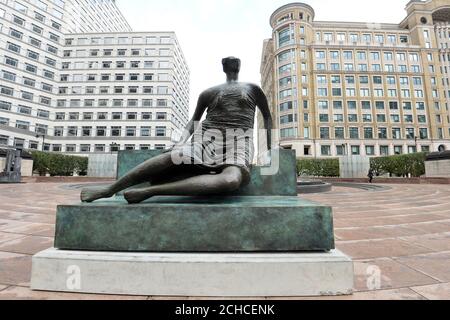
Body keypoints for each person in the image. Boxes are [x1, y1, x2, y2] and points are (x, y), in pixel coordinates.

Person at [81, 57, 273, 204]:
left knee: (231, 180)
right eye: (230, 63)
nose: (233, 65)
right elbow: (194, 120)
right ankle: (109, 189)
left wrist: (269, 150)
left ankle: (152, 191)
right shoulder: (209, 92)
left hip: (239, 140)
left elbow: (267, 116)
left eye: (236, 63)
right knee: (176, 154)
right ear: (223, 67)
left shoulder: (252, 88)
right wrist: (181, 142)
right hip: (207, 137)